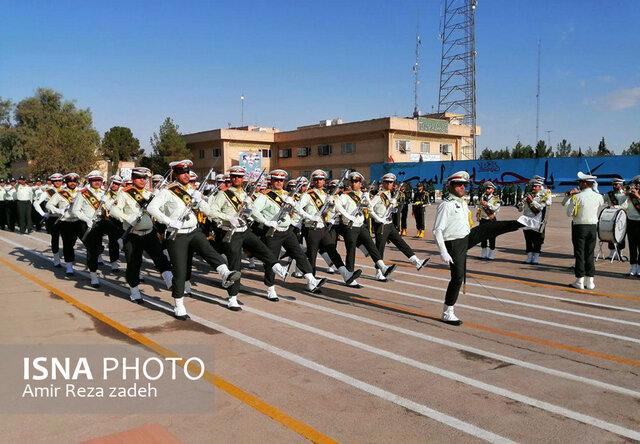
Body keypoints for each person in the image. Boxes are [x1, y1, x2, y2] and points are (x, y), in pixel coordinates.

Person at [433, 171, 537, 325]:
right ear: (451, 186)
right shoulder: (446, 205)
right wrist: (443, 251)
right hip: (454, 244)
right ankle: (448, 312)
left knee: (489, 227)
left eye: (464, 185)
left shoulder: (462, 202)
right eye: (459, 184)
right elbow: (437, 230)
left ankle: (520, 223)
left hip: (466, 237)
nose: (462, 187)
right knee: (457, 278)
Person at [147, 160, 241, 319]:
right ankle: (179, 304)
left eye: (187, 172)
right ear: (175, 175)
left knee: (208, 250)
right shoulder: (167, 191)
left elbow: (208, 211)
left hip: (194, 230)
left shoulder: (191, 190)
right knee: (180, 271)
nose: (186, 175)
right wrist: (169, 221)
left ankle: (225, 273)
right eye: (182, 173)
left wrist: (200, 201)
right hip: (177, 234)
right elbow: (151, 208)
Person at [206, 165, 290, 307]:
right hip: (230, 232)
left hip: (244, 229)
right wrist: (228, 218)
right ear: (230, 178)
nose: (236, 179)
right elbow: (211, 211)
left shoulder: (245, 194)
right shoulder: (223, 194)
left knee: (262, 248)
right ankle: (232, 297)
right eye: (234, 177)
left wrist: (248, 210)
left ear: (243, 179)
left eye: (239, 177)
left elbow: (249, 211)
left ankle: (277, 267)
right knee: (235, 265)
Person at [250, 169, 326, 296]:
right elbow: (253, 210)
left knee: (299, 254)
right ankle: (270, 288)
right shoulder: (265, 195)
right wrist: (265, 222)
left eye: (281, 180)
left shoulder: (287, 194)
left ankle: (311, 279)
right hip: (273, 232)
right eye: (276, 180)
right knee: (271, 260)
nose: (279, 182)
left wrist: (309, 216)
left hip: (287, 230)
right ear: (271, 181)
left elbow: (297, 209)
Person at [109, 167, 174, 302]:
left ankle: (170, 281)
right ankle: (134, 291)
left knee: (160, 258)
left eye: (144, 178)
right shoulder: (124, 193)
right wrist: (127, 218)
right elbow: (113, 211)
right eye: (139, 178)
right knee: (134, 264)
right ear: (133, 179)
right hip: (132, 235)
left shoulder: (150, 194)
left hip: (149, 233)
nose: (142, 180)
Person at [296, 169, 362, 285]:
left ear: (324, 181)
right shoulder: (308, 195)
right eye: (316, 179)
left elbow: (330, 211)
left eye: (321, 179)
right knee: (312, 256)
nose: (318, 181)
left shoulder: (327, 195)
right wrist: (310, 217)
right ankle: (311, 283)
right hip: (312, 228)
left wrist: (331, 205)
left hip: (323, 228)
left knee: (333, 251)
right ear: (313, 181)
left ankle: (346, 275)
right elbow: (297, 208)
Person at [369, 173, 429, 271]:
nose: (389, 184)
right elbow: (369, 207)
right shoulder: (379, 195)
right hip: (381, 225)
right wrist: (378, 218)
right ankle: (379, 272)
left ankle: (416, 262)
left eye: (391, 182)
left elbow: (389, 208)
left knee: (401, 242)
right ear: (383, 183)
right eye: (387, 182)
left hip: (389, 223)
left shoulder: (390, 194)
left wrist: (393, 204)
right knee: (380, 249)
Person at [562, 172, 604, 290]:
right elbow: (601, 201)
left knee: (580, 254)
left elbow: (569, 213)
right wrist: (596, 190)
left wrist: (571, 197)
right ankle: (590, 281)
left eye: (580, 182)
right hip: (592, 227)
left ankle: (580, 280)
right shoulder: (597, 196)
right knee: (590, 253)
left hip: (579, 227)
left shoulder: (577, 197)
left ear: (585, 183)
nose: (579, 184)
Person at [70, 170, 108, 287]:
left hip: (101, 224)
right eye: (94, 180)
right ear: (89, 181)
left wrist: (109, 203)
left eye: (99, 180)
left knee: (98, 248)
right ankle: (93, 275)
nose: (97, 182)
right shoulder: (82, 193)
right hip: (87, 224)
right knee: (91, 250)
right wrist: (86, 219)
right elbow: (74, 210)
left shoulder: (104, 193)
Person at [46, 173, 82, 275]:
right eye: (70, 181)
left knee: (88, 241)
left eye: (74, 181)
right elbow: (49, 205)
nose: (72, 183)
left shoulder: (82, 193)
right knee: (68, 245)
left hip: (79, 221)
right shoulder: (60, 193)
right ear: (66, 182)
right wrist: (58, 210)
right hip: (66, 222)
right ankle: (69, 266)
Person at [518, 179, 547, 264]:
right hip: (527, 220)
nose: (533, 188)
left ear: (539, 187)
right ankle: (529, 257)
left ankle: (536, 258)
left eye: (535, 186)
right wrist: (521, 205)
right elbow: (520, 210)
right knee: (528, 239)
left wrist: (532, 201)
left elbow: (541, 207)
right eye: (532, 186)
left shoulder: (542, 197)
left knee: (537, 240)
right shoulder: (527, 195)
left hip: (536, 221)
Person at [603, 178, 627, 259]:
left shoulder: (625, 194)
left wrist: (615, 207)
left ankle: (620, 253)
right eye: (613, 184)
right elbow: (601, 200)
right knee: (611, 234)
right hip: (611, 217)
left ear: (621, 185)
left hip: (621, 217)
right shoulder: (609, 194)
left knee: (621, 235)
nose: (614, 186)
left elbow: (625, 206)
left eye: (616, 184)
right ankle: (611, 253)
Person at [621, 175, 640, 276]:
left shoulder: (636, 195)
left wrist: (638, 196)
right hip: (631, 221)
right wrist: (625, 196)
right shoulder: (630, 195)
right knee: (632, 245)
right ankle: (633, 267)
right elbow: (623, 206)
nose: (637, 185)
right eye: (636, 184)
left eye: (639, 184)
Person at [477, 181, 501, 260]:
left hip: (491, 219)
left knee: (492, 237)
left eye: (489, 188)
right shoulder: (482, 196)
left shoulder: (496, 198)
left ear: (493, 190)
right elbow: (479, 206)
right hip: (483, 219)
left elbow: (495, 208)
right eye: (486, 188)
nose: (487, 190)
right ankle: (483, 253)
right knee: (482, 237)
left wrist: (487, 204)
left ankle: (491, 253)